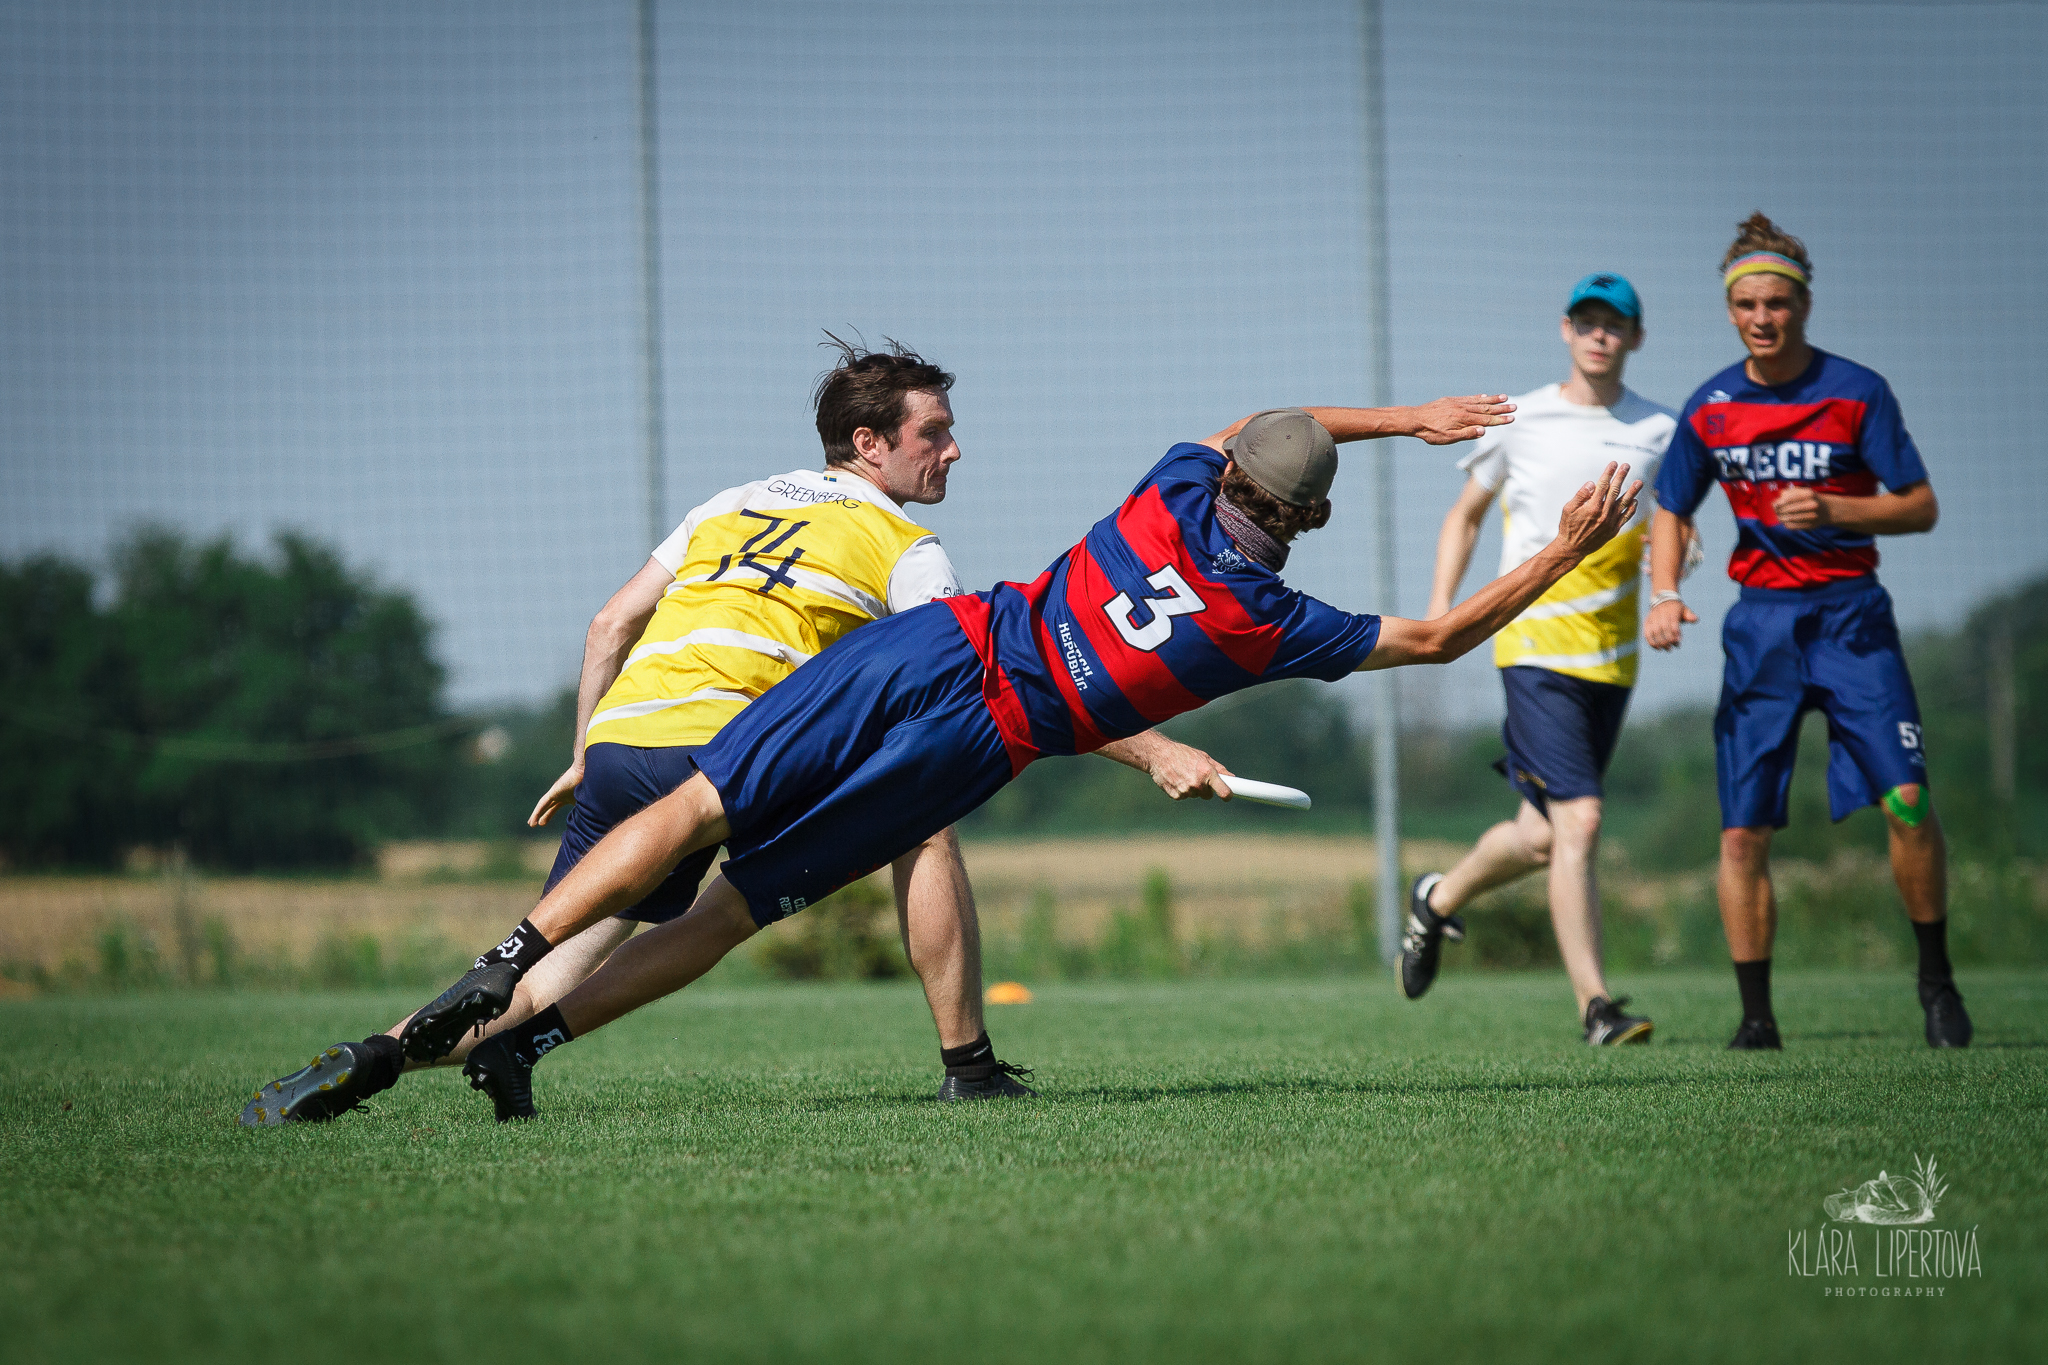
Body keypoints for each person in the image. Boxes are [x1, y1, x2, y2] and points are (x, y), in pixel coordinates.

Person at [391, 396, 1644, 1123]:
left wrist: (1406, 420)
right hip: (985, 737)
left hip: (949, 640)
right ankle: (532, 1040)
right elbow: (1437, 637)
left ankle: (502, 970)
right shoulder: (1268, 623)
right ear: (1304, 520)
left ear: (1229, 477)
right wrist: (1566, 548)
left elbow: (1259, 424)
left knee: (711, 798)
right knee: (739, 904)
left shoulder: (1166, 488)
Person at [242, 339, 1220, 1124]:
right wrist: (1153, 748)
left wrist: (586, 753)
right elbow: (992, 677)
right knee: (922, 814)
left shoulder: (731, 501)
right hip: (732, 752)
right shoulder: (903, 545)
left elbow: (609, 625)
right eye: (936, 433)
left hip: (625, 746)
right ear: (870, 443)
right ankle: (967, 1066)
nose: (953, 450)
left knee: (540, 975)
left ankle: (375, 1052)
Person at [1646, 213, 1968, 1050]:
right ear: (1730, 311)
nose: (1763, 317)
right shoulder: (1711, 407)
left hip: (1853, 618)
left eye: (1778, 303)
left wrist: (1836, 508)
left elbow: (1921, 505)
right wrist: (1665, 590)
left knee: (1907, 799)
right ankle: (1757, 1018)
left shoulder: (1858, 391)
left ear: (1805, 303)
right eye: (1748, 303)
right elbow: (1672, 505)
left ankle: (1936, 981)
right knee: (1743, 827)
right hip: (1761, 630)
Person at [1402, 273, 1677, 1045]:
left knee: (1541, 836)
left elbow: (1669, 524)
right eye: (1587, 321)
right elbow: (1464, 517)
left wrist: (1669, 588)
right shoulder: (1521, 420)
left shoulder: (1661, 429)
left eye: (1614, 323)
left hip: (1614, 657)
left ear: (1636, 337)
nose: (1599, 335)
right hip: (1530, 645)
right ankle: (1597, 1006)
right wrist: (1439, 616)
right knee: (1582, 819)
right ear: (1565, 329)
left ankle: (1437, 900)